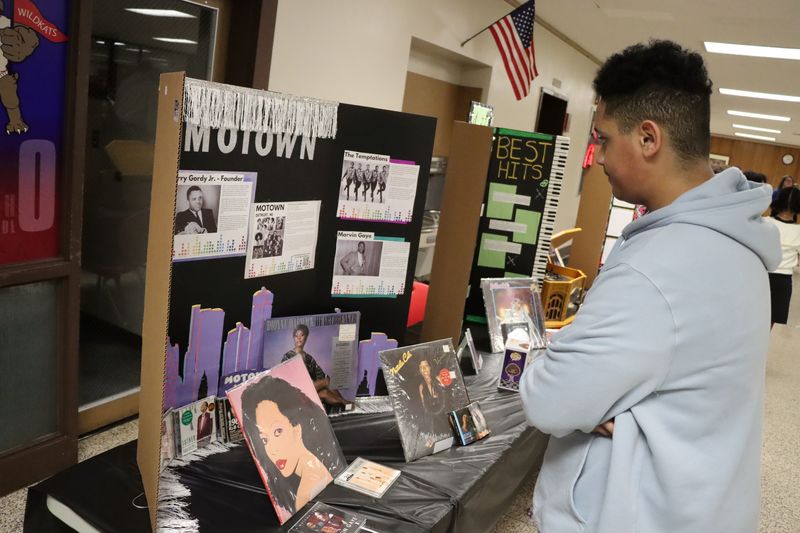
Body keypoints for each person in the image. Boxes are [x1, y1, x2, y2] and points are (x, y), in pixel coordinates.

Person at [520, 40, 780, 533]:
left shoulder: (657, 268)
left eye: (603, 138)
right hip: (702, 501)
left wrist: (571, 381)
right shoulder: (740, 241)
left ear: (647, 138)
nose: (595, 157)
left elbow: (549, 399)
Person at [240, 375, 344, 522]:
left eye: (278, 431)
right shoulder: (314, 472)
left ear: (297, 429)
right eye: (264, 440)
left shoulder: (306, 492)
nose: (273, 450)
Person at [281, 324, 348, 407]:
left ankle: (344, 404)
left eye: (301, 335)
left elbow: (320, 374)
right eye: (296, 336)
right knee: (327, 381)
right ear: (293, 338)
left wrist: (319, 383)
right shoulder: (288, 356)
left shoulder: (309, 358)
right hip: (296, 390)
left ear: (306, 337)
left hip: (310, 388)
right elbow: (283, 378)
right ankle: (345, 401)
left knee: (325, 393)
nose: (299, 338)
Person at [765, 186, 800, 328]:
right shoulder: (799, 230)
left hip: (761, 274)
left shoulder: (765, 222)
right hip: (783, 280)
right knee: (770, 320)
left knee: (750, 313)